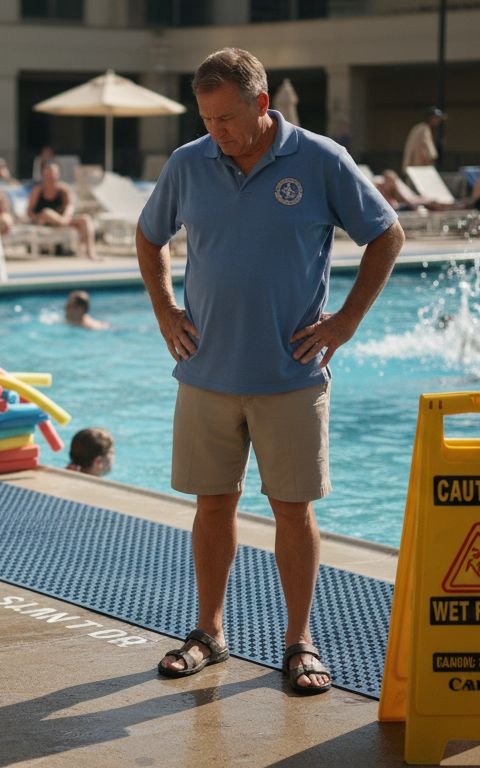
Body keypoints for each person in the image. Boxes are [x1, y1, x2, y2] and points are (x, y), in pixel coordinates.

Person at [137, 47, 403, 694]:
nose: (216, 132)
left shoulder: (320, 159)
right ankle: (208, 633)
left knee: (293, 510)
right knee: (212, 506)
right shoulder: (188, 162)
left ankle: (298, 641)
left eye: (226, 118)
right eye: (206, 119)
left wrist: (346, 321)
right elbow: (149, 236)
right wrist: (166, 309)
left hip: (291, 376)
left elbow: (386, 234)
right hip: (205, 373)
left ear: (262, 104)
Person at [27, 161, 100, 260]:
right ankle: (63, 224)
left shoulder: (63, 190)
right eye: (48, 174)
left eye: (53, 174)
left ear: (58, 175)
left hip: (63, 221)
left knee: (86, 219)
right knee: (46, 212)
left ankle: (90, 252)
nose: (50, 177)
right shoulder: (38, 191)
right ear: (43, 175)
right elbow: (30, 212)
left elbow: (69, 207)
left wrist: (65, 218)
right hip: (44, 221)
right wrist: (36, 219)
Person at [402, 107, 445, 172]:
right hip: (419, 166)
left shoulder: (419, 128)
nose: (438, 121)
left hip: (414, 166)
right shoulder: (424, 129)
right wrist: (430, 160)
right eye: (437, 118)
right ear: (431, 118)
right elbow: (427, 150)